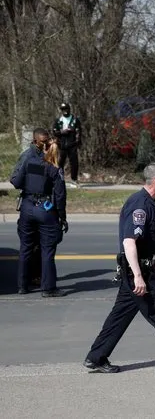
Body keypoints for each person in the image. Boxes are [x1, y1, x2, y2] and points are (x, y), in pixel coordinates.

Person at [83, 163, 155, 374]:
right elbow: (129, 242)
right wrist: (139, 275)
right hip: (138, 273)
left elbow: (146, 243)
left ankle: (96, 358)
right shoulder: (140, 205)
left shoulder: (149, 203)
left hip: (142, 270)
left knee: (120, 316)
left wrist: (154, 269)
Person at [10, 128, 68, 297]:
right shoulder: (54, 168)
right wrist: (62, 217)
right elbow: (60, 195)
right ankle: (48, 288)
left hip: (27, 207)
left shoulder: (29, 162)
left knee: (25, 248)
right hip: (45, 208)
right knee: (47, 249)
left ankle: (22, 286)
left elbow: (17, 181)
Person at [52, 102, 82, 188]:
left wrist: (77, 141)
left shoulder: (75, 120)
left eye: (66, 109)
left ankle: (74, 179)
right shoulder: (58, 120)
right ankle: (59, 179)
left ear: (69, 109)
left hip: (72, 144)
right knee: (60, 162)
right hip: (62, 144)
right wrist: (62, 132)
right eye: (63, 109)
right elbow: (54, 131)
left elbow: (79, 131)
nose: (64, 111)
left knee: (74, 162)